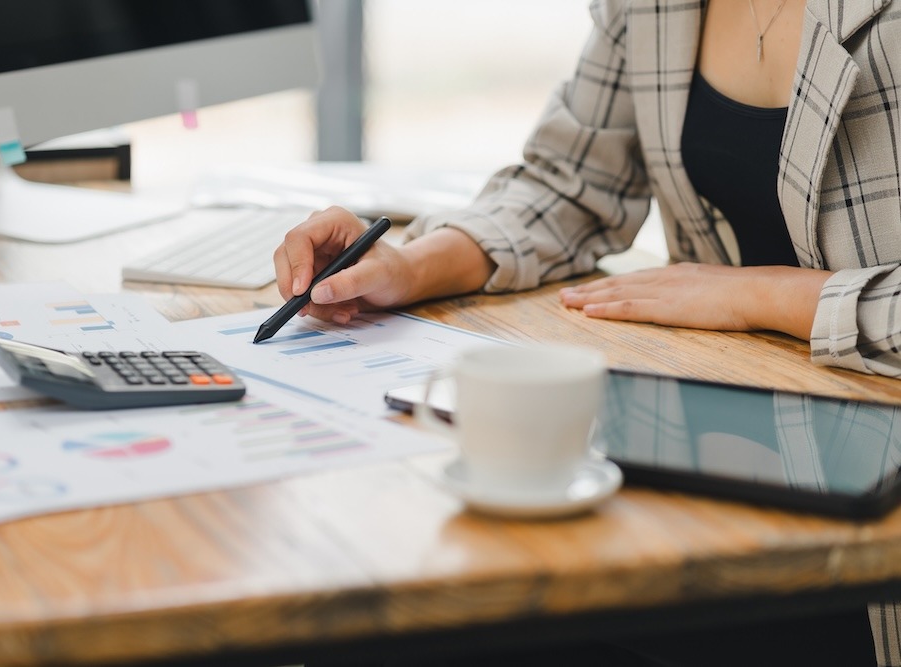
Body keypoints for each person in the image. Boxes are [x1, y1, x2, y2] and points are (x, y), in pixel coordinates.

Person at [278, 0, 901, 664]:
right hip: (723, 454)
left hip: (864, 525)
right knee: (406, 606)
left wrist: (759, 294)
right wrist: (407, 264)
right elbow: (572, 183)